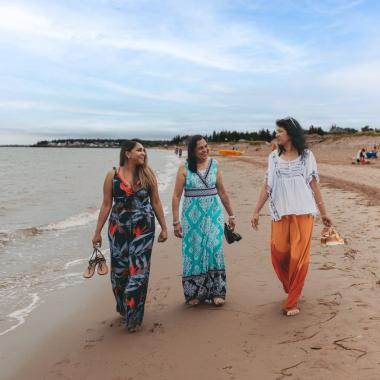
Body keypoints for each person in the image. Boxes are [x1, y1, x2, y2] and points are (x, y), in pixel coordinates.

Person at [251, 117, 332, 317]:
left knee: (299, 258)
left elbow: (314, 186)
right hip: (280, 213)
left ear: (290, 134)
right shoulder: (273, 158)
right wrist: (256, 210)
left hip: (304, 213)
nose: (276, 134)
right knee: (279, 255)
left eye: (280, 131)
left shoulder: (307, 156)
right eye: (276, 131)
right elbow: (267, 186)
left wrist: (324, 213)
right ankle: (291, 287)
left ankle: (292, 301)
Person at [92, 140, 168, 332]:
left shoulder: (148, 175)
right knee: (119, 273)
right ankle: (124, 306)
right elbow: (106, 204)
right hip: (118, 229)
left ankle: (134, 318)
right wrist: (97, 232)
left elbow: (157, 202)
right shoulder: (112, 175)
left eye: (144, 150)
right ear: (127, 153)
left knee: (138, 272)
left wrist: (164, 227)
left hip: (143, 228)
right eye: (139, 150)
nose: (143, 153)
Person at [172, 135, 235, 306]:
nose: (205, 150)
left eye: (206, 146)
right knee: (194, 252)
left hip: (214, 215)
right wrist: (176, 222)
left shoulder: (214, 165)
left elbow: (222, 192)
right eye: (200, 148)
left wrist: (231, 214)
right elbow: (177, 196)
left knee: (215, 248)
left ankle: (217, 291)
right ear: (192, 151)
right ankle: (195, 293)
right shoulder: (184, 168)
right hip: (192, 219)